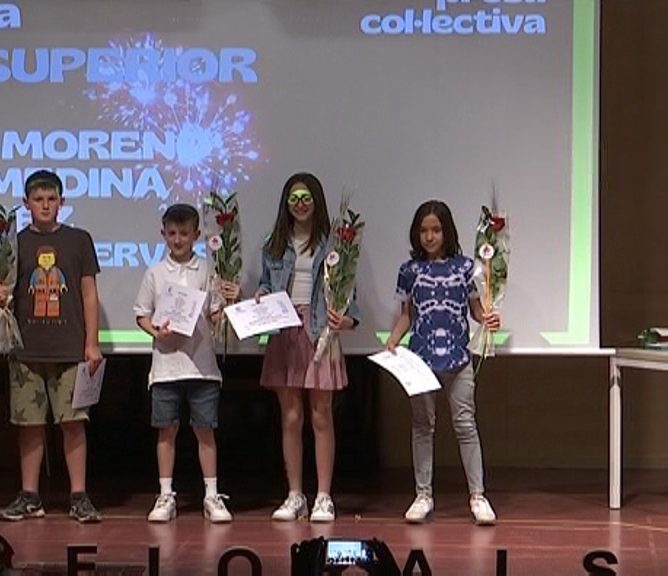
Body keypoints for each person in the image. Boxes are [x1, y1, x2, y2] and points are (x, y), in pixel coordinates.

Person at [0, 169, 103, 523]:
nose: (45, 205)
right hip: (27, 349)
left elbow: (88, 293)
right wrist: (1, 296)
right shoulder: (13, 244)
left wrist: (92, 343)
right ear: (26, 203)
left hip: (70, 349)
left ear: (61, 202)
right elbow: (8, 293)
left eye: (51, 199)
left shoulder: (79, 240)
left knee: (73, 423)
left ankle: (78, 496)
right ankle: (30, 496)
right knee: (29, 425)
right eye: (38, 199)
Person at [385, 199, 500, 526]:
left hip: (458, 358)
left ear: (446, 231)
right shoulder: (409, 271)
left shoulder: (465, 268)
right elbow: (407, 315)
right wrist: (393, 339)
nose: (429, 236)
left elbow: (475, 310)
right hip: (421, 360)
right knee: (423, 426)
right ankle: (423, 495)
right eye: (424, 230)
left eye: (436, 230)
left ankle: (478, 496)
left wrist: (487, 318)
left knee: (465, 424)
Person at [255, 173, 360, 523]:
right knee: (290, 416)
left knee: (321, 414)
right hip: (284, 329)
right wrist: (261, 294)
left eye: (306, 198)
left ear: (317, 201)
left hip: (319, 332)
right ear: (285, 203)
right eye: (293, 198)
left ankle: (324, 497)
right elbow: (266, 283)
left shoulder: (335, 244)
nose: (300, 204)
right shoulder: (273, 244)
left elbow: (351, 299)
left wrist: (345, 320)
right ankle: (295, 495)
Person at [133, 203, 241, 523]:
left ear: (196, 235)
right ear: (163, 234)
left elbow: (215, 314)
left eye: (184, 233)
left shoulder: (208, 270)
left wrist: (231, 303)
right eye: (172, 233)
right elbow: (141, 314)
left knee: (205, 430)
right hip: (166, 366)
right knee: (166, 431)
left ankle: (211, 495)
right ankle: (166, 494)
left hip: (202, 366)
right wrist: (157, 332)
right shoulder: (154, 273)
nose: (178, 239)